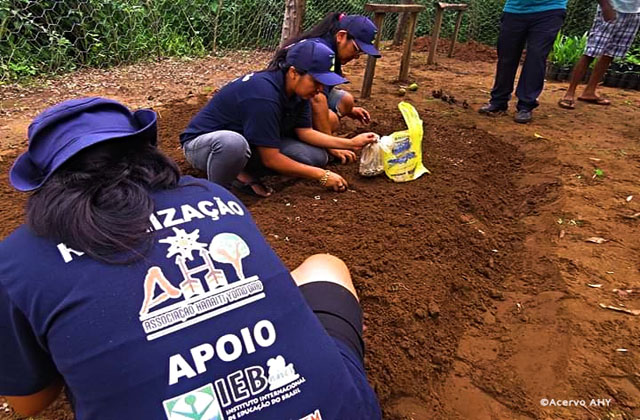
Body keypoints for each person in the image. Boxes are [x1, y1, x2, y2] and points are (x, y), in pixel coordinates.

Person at [0, 98, 382, 420]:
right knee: (323, 266)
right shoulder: (213, 197)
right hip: (333, 410)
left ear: (44, 181)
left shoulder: (16, 260)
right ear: (144, 150)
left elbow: (30, 402)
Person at [181, 40, 377, 198]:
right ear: (293, 72)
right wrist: (322, 176)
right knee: (233, 144)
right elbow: (271, 158)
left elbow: (305, 132)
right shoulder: (263, 94)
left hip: (248, 141)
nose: (320, 89)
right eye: (316, 81)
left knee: (315, 157)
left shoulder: (299, 93)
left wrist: (350, 143)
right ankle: (218, 195)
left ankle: (241, 169)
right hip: (206, 146)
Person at [478, 0, 616, 123]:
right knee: (506, 58)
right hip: (514, 10)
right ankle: (498, 101)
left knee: (536, 57)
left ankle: (526, 105)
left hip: (550, 10)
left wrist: (605, 5)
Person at [270, 13, 381, 163]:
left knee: (346, 102)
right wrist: (333, 146)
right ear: (341, 36)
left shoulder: (327, 44)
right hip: (285, 104)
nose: (356, 56)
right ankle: (311, 138)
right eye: (356, 49)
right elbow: (317, 98)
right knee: (332, 121)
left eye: (361, 53)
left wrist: (351, 111)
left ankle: (318, 133)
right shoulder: (320, 50)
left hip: (299, 96)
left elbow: (320, 91)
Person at [558, 0, 640, 109]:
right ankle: (569, 93)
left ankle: (590, 91)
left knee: (610, 53)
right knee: (591, 52)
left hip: (634, 13)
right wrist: (605, 6)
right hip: (611, 8)